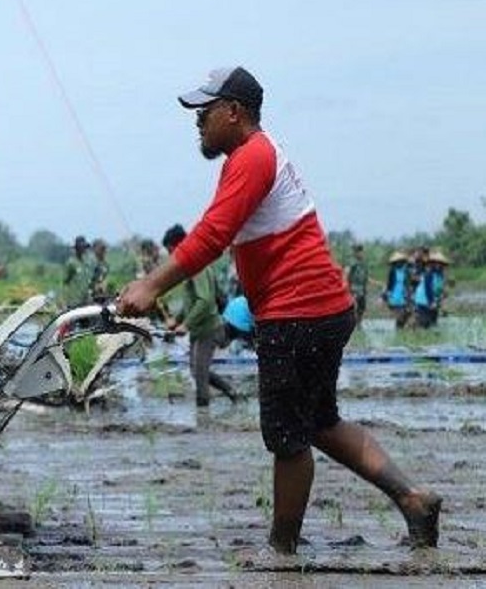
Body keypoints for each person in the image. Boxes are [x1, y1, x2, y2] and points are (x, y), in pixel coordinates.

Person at [115, 66, 440, 554]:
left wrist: (151, 285)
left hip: (299, 313)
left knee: (288, 438)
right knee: (321, 423)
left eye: (204, 112)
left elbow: (211, 235)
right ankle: (413, 499)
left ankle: (282, 549)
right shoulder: (250, 159)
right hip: (320, 309)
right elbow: (221, 234)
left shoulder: (253, 157)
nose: (197, 122)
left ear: (233, 112)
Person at [161, 223, 241, 406]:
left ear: (179, 246)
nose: (171, 256)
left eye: (171, 250)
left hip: (208, 329)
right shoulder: (190, 266)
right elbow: (192, 301)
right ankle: (232, 392)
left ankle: (203, 418)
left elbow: (204, 300)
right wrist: (177, 320)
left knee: (200, 374)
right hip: (199, 330)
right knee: (197, 371)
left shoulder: (197, 265)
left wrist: (186, 325)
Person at [413, 250, 451, 328]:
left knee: (433, 323)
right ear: (432, 263)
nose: (438, 265)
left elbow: (439, 289)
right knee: (425, 323)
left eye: (440, 263)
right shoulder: (429, 274)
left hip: (433, 301)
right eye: (436, 262)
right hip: (423, 300)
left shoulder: (440, 275)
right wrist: (431, 302)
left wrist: (443, 294)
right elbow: (428, 289)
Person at [61, 235, 94, 309]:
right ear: (77, 248)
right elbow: (65, 283)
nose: (83, 249)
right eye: (81, 247)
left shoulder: (86, 263)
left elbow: (87, 281)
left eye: (84, 247)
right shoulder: (71, 263)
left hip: (85, 300)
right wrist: (63, 301)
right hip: (73, 301)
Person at [382, 250, 412, 329]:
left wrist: (409, 294)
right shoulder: (392, 271)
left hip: (403, 296)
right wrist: (385, 295)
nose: (400, 263)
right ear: (395, 263)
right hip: (394, 296)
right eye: (398, 262)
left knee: (406, 314)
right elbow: (389, 284)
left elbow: (408, 284)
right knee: (400, 315)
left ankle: (400, 329)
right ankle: (398, 329)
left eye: (401, 261)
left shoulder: (406, 271)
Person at [346, 244, 370, 327]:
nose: (360, 254)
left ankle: (359, 323)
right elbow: (347, 275)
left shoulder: (364, 264)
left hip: (361, 289)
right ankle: (353, 324)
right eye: (358, 252)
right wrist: (348, 288)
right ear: (355, 253)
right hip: (354, 288)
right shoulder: (352, 263)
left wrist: (365, 288)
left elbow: (365, 276)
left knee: (362, 306)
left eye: (361, 252)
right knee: (354, 307)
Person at [88, 238, 112, 302]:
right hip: (90, 295)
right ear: (95, 250)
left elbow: (105, 278)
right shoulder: (90, 264)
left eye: (104, 249)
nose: (103, 251)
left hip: (102, 294)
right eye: (101, 249)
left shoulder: (106, 265)